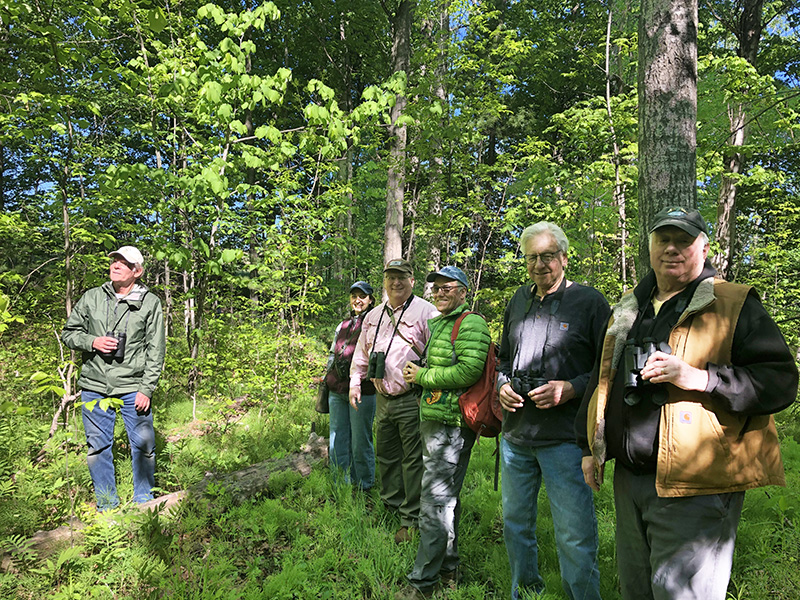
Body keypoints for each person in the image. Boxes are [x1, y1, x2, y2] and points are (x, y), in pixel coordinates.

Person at [577, 206, 798, 600]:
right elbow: (602, 378)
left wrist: (701, 378)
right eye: (664, 239)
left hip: (698, 484)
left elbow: (779, 382)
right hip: (631, 481)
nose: (672, 249)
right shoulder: (630, 306)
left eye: (684, 241)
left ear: (704, 248)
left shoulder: (733, 303)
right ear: (649, 247)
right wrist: (589, 447)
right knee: (637, 592)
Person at [497, 222, 609, 600]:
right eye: (532, 257)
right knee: (515, 525)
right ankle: (525, 592)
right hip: (515, 437)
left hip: (564, 438)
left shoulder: (590, 303)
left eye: (547, 256)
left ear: (563, 257)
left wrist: (572, 388)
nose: (540, 264)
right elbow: (502, 360)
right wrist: (502, 386)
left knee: (574, 534)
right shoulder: (518, 299)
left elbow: (608, 367)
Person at [395, 266, 491, 600]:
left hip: (452, 425)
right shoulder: (438, 323)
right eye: (434, 289)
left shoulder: (472, 323)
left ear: (464, 291)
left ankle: (422, 582)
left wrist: (423, 376)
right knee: (444, 499)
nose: (439, 293)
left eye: (447, 287)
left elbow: (468, 371)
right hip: (435, 419)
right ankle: (449, 568)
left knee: (433, 501)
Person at [62, 245, 166, 511]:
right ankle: (107, 508)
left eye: (123, 262)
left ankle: (144, 503)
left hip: (134, 386)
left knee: (144, 446)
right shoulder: (93, 297)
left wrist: (147, 388)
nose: (116, 265)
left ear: (137, 271)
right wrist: (92, 341)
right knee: (97, 447)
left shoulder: (150, 302)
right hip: (94, 385)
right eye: (114, 261)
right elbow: (69, 333)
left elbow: (156, 349)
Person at [350, 258, 439, 543]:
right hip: (382, 398)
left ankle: (410, 518)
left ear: (412, 280)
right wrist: (355, 382)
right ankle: (390, 505)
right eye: (390, 277)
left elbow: (438, 354)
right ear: (384, 281)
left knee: (412, 460)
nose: (396, 282)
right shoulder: (373, 315)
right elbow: (362, 353)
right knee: (386, 455)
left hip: (412, 398)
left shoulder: (427, 311)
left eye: (402, 277)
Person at [324, 281, 377, 490]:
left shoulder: (375, 324)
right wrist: (326, 376)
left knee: (360, 440)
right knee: (337, 437)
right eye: (354, 296)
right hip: (337, 389)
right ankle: (339, 482)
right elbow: (332, 353)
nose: (357, 300)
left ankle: (363, 485)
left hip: (363, 391)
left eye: (362, 296)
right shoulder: (343, 325)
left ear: (370, 300)